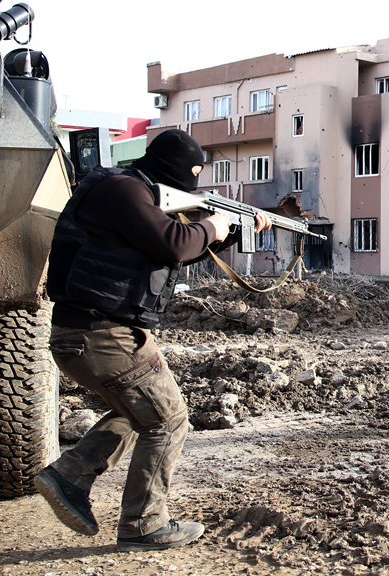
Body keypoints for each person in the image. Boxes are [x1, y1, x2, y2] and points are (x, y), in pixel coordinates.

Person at [34, 129, 271, 552]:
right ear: (173, 170)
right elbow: (172, 244)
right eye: (191, 174)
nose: (192, 183)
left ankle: (71, 473)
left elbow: (169, 249)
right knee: (168, 418)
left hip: (97, 331)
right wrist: (212, 224)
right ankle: (143, 526)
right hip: (100, 333)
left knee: (143, 412)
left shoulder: (128, 190)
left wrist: (230, 231)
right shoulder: (123, 190)